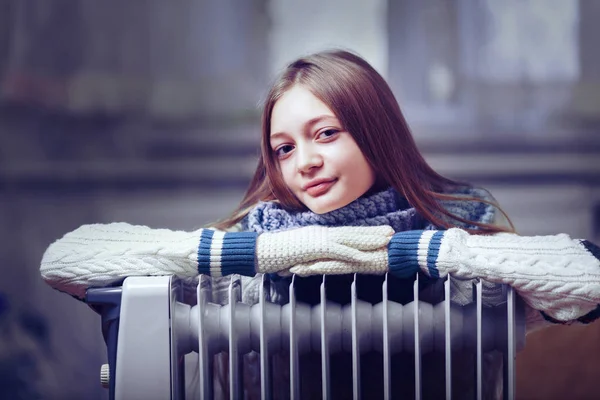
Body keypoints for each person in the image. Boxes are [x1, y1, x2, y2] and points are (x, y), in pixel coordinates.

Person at [40, 50, 600, 398]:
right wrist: (280, 251)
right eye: (283, 148)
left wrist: (417, 252)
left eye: (326, 133)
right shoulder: (258, 237)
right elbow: (65, 262)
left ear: (375, 132)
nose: (303, 161)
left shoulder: (455, 223)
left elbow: (588, 280)